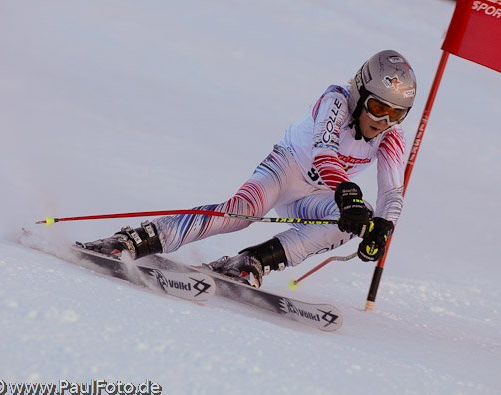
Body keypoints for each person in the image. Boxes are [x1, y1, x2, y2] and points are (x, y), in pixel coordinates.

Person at [80, 49, 417, 288]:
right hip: (285, 170)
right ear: (360, 92)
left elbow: (392, 192)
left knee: (356, 219)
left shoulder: (390, 137)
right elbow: (324, 153)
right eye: (376, 107)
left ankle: (254, 260)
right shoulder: (336, 100)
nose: (383, 121)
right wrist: (349, 194)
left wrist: (382, 227)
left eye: (396, 114)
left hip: (316, 197)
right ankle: (135, 240)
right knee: (241, 212)